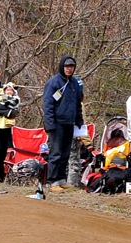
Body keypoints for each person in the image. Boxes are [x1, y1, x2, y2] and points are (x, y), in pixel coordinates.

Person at [42, 54, 84, 191]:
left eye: (71, 66)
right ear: (62, 67)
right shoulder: (54, 83)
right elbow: (48, 104)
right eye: (67, 66)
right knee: (56, 153)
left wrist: (79, 120)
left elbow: (77, 103)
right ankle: (52, 181)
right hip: (57, 123)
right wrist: (49, 124)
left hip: (69, 123)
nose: (69, 69)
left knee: (65, 153)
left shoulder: (74, 84)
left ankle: (61, 179)